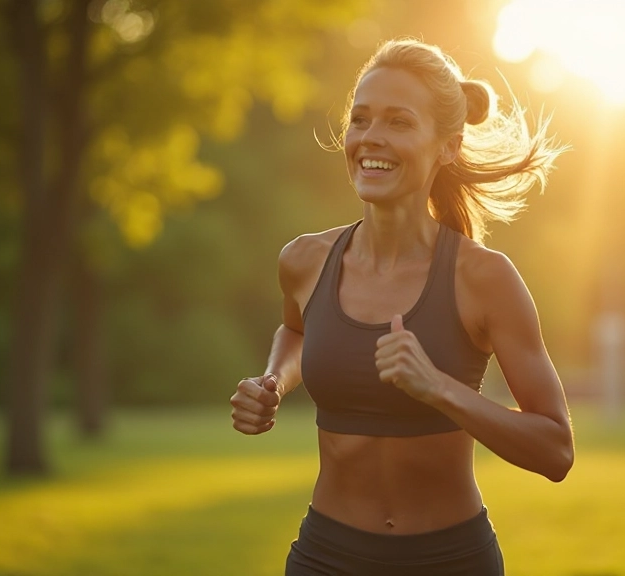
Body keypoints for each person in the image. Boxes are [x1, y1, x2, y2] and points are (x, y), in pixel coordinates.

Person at [229, 38, 574, 576]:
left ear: (447, 146)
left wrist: (439, 388)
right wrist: (273, 381)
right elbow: (296, 332)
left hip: (451, 561)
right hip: (327, 558)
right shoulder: (304, 260)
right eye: (360, 120)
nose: (371, 138)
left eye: (398, 122)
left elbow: (555, 450)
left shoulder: (485, 279)